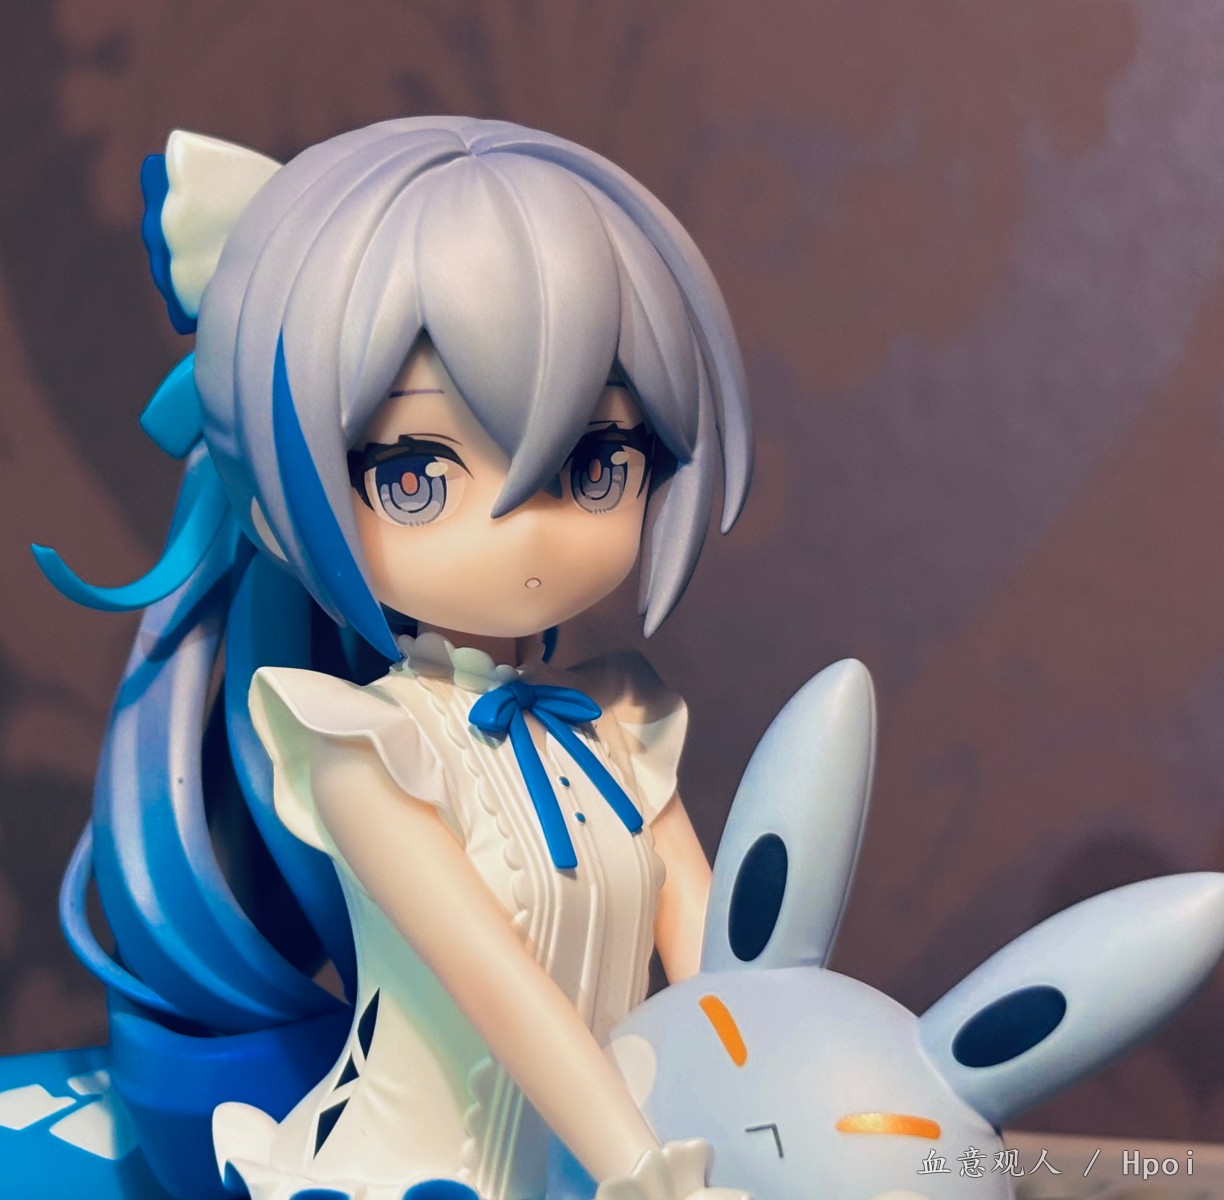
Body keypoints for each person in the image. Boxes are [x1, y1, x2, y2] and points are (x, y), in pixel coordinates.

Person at [37, 115, 754, 1200]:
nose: (526, 532)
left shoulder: (620, 724)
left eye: (598, 461)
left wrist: (769, 1110)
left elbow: (715, 976)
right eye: (415, 475)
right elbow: (493, 983)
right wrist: (643, 1170)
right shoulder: (360, 748)